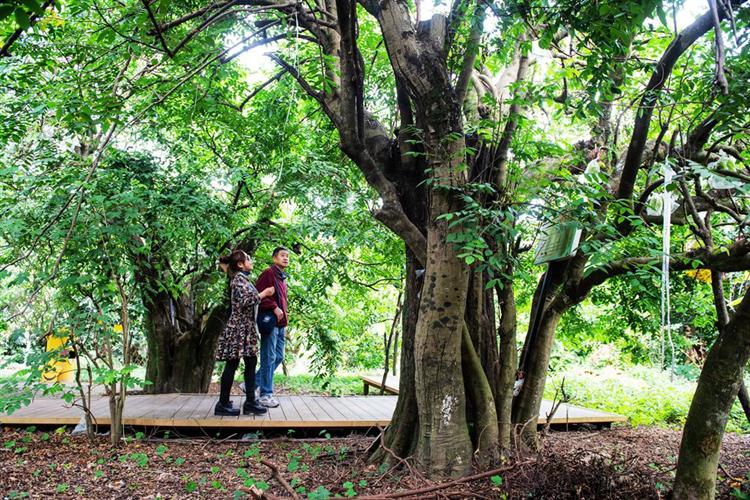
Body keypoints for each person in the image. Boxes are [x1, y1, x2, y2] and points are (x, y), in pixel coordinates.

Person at [214, 250, 274, 416]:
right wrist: (264, 294)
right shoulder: (238, 280)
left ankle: (250, 402)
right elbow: (245, 301)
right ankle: (223, 403)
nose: (251, 261)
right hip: (238, 328)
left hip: (246, 327)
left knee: (251, 362)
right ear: (240, 264)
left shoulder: (243, 279)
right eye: (248, 259)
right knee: (232, 364)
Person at [252, 246, 290, 408]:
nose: (285, 258)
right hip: (270, 322)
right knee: (268, 358)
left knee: (279, 356)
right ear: (274, 258)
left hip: (281, 324)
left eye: (287, 256)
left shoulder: (282, 277)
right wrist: (274, 307)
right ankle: (265, 395)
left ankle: (252, 383)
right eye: (282, 255)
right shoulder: (268, 273)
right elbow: (257, 295)